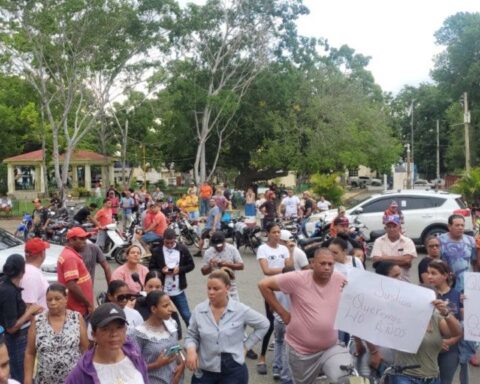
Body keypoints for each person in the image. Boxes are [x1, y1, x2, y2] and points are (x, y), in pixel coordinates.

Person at [258, 248, 352, 384]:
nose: (327, 268)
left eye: (330, 264)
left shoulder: (339, 279)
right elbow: (263, 285)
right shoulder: (297, 278)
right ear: (313, 263)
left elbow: (357, 298)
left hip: (331, 347)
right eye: (323, 263)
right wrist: (283, 313)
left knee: (345, 377)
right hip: (301, 351)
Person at [185, 270, 269, 384]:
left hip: (233, 370)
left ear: (227, 288)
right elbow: (191, 335)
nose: (211, 292)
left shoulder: (240, 310)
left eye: (216, 289)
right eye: (209, 288)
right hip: (205, 370)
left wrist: (246, 346)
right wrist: (191, 351)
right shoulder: (199, 310)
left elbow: (264, 324)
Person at [65, 303, 149, 384]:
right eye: (106, 329)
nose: (114, 334)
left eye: (119, 327)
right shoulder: (82, 373)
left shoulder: (135, 357)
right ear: (93, 334)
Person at [24, 283, 89, 384]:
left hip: (74, 380)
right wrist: (27, 380)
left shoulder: (76, 318)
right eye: (49, 300)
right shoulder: (38, 321)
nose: (53, 303)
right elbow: (30, 353)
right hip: (44, 381)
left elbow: (85, 349)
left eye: (57, 299)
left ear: (66, 298)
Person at [392, 296, 461, 384]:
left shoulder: (436, 318)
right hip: (405, 377)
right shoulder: (405, 316)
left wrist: (446, 313)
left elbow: (456, 333)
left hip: (431, 378)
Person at [255, 223, 293, 375]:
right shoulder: (263, 249)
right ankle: (262, 357)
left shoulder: (284, 249)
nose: (277, 235)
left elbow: (290, 266)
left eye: (279, 232)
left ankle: (280, 363)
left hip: (285, 289)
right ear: (268, 233)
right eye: (274, 232)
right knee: (270, 323)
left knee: (285, 323)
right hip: (270, 290)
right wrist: (283, 270)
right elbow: (266, 270)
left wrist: (290, 250)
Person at [0, 255, 43, 383]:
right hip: (14, 341)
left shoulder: (8, 285)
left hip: (18, 338)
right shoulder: (8, 291)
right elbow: (11, 327)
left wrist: (29, 309)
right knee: (19, 374)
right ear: (22, 272)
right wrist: (30, 311)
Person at [130, 291, 185, 384]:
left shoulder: (171, 325)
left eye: (170, 304)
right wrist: (156, 364)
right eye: (165, 306)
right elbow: (133, 366)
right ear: (154, 309)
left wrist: (182, 365)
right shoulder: (139, 334)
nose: (171, 309)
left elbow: (176, 349)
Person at [427, 260, 465, 384]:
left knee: (445, 381)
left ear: (445, 276)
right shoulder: (425, 294)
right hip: (428, 347)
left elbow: (464, 325)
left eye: (434, 273)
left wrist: (451, 340)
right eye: (428, 273)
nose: (429, 276)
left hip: (450, 349)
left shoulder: (459, 296)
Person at [149, 228, 195, 327]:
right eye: (167, 243)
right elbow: (151, 268)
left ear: (175, 240)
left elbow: (191, 265)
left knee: (187, 315)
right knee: (167, 317)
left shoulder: (182, 249)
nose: (169, 245)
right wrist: (161, 271)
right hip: (163, 290)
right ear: (163, 240)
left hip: (178, 290)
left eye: (172, 243)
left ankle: (195, 336)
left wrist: (180, 270)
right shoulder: (157, 251)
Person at [57, 227, 94, 317]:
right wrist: (88, 304)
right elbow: (72, 285)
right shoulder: (70, 257)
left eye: (85, 239)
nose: (85, 242)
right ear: (71, 240)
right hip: (77, 310)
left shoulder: (70, 254)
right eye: (81, 239)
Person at [370, 215, 417, 281]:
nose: (391, 229)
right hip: (383, 281)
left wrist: (383, 258)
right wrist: (401, 261)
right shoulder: (379, 241)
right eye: (389, 227)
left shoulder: (408, 241)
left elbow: (407, 261)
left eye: (394, 226)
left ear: (400, 228)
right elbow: (376, 260)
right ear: (385, 228)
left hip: (403, 282)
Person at [440, 214, 478, 293]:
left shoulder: (470, 240)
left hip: (468, 283)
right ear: (449, 226)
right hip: (447, 283)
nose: (460, 228)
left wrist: (476, 280)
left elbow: (474, 262)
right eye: (457, 225)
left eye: (462, 225)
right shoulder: (440, 241)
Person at [201, 231, 244, 301]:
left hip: (230, 285)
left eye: (220, 245)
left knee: (235, 309)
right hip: (215, 286)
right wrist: (210, 266)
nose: (218, 248)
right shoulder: (208, 252)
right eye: (216, 246)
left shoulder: (232, 249)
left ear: (224, 242)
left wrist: (227, 264)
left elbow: (241, 266)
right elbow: (203, 272)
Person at [20, 238, 50, 310]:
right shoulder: (31, 275)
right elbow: (28, 307)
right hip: (35, 320)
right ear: (42, 254)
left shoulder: (30, 270)